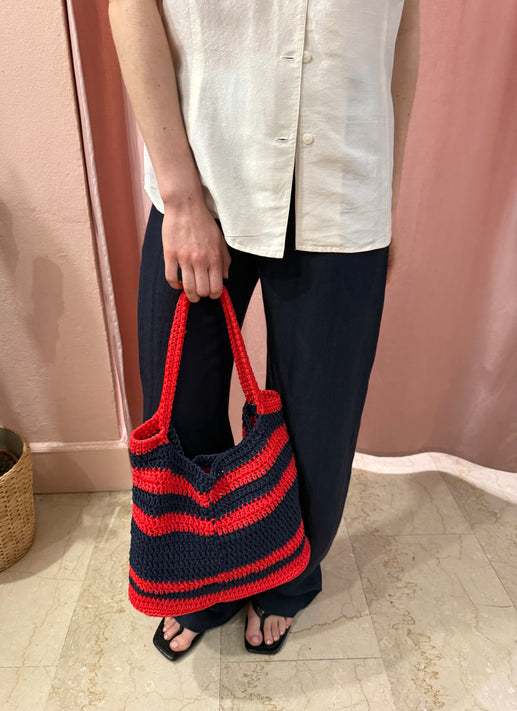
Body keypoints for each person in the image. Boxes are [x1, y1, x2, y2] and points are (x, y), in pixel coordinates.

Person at [108, 0, 419, 659]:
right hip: (205, 179)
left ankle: (287, 577)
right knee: (179, 407)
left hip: (342, 186)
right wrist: (180, 196)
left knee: (320, 425)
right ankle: (204, 582)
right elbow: (131, 10)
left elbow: (401, 32)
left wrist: (386, 197)